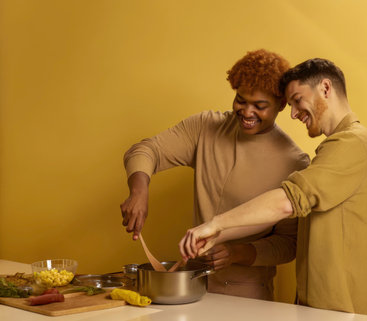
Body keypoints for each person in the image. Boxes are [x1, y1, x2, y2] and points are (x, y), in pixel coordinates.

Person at [179, 58, 367, 318]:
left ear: (325, 88)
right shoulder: (339, 148)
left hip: (350, 310)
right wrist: (221, 235)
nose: (293, 113)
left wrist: (215, 224)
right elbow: (291, 217)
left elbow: (287, 201)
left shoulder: (353, 144)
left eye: (297, 100)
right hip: (328, 308)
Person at [120, 49, 310, 300]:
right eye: (241, 100)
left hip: (248, 297)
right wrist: (139, 191)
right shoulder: (205, 128)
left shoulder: (293, 162)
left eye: (260, 106)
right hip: (192, 285)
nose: (247, 112)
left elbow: (288, 244)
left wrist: (236, 253)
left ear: (281, 104)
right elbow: (146, 150)